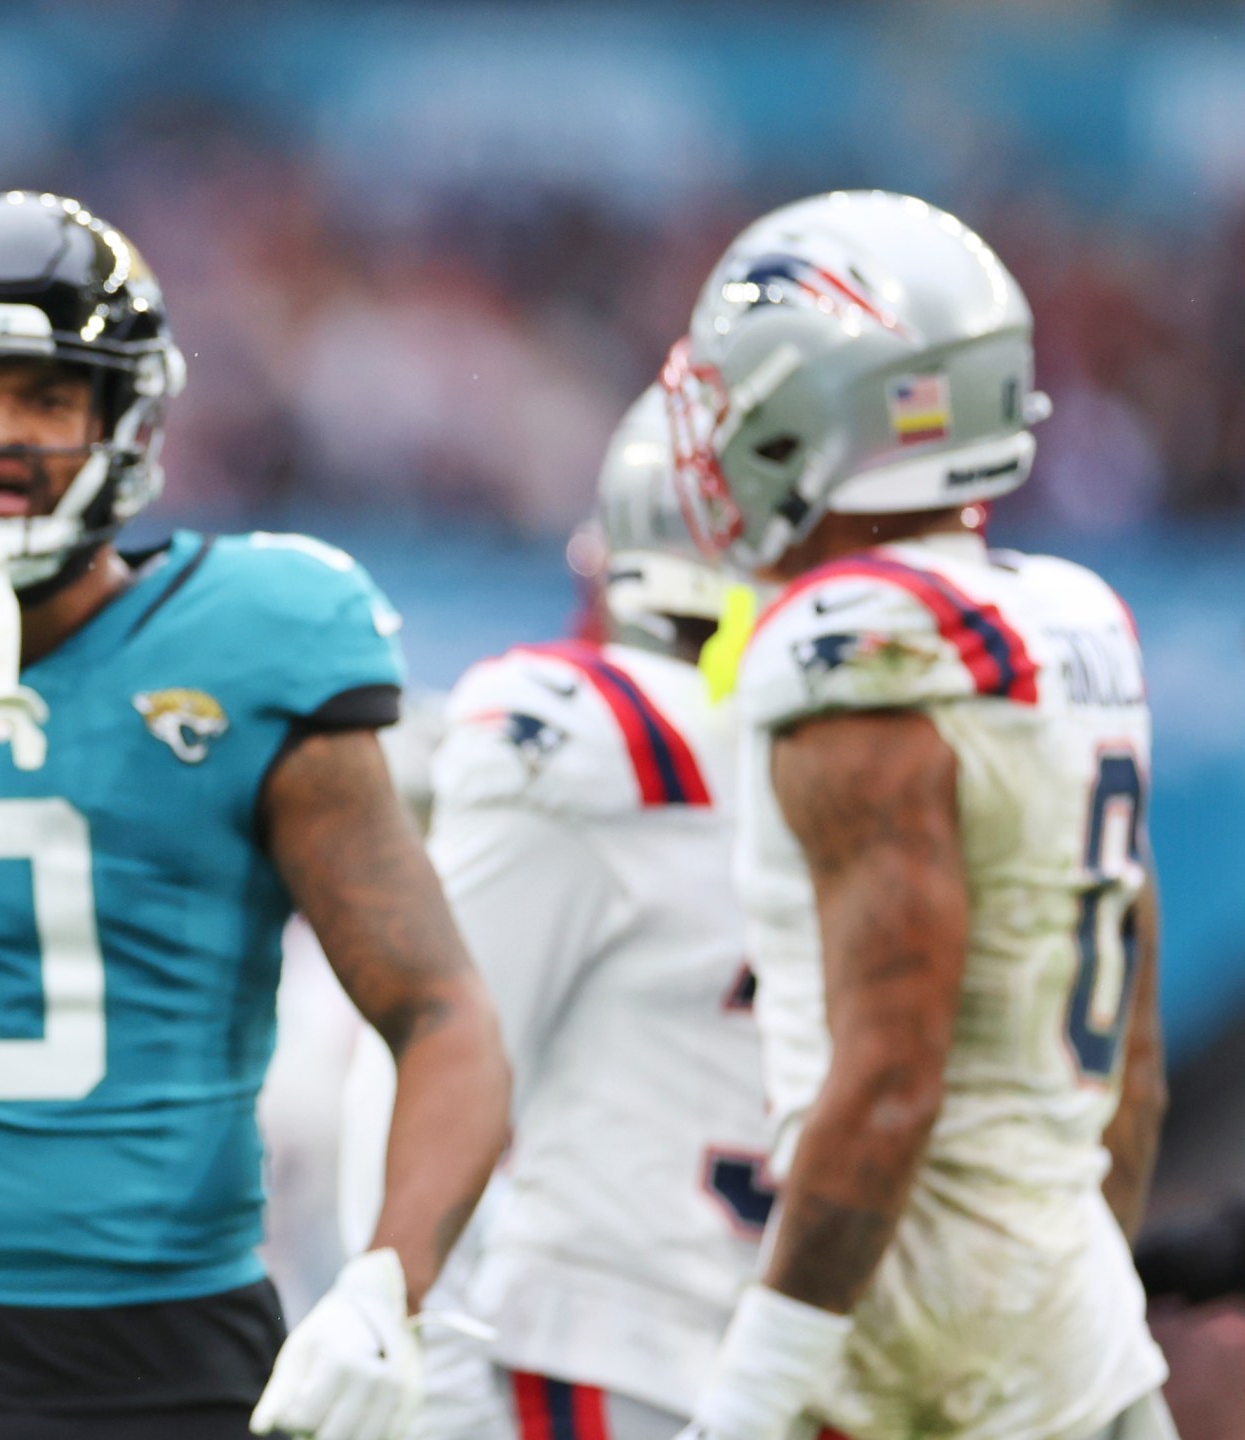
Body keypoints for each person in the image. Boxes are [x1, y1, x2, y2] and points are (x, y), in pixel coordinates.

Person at [0, 191, 510, 1440]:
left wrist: (386, 1286)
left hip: (177, 1348)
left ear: (124, 418)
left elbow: (441, 1014)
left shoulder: (258, 640)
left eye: (45, 397)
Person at [663, 191, 1171, 1440]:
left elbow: (889, 1082)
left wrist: (752, 1393)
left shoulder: (862, 645)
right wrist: (1056, 1304)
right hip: (1079, 1335)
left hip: (916, 1357)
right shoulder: (1070, 621)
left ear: (817, 405)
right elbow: (1137, 1079)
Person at [360, 392, 767, 1440]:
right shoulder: (919, 745)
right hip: (800, 1347)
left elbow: (429, 1046)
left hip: (611, 1346)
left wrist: (405, 1333)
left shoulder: (596, 738)